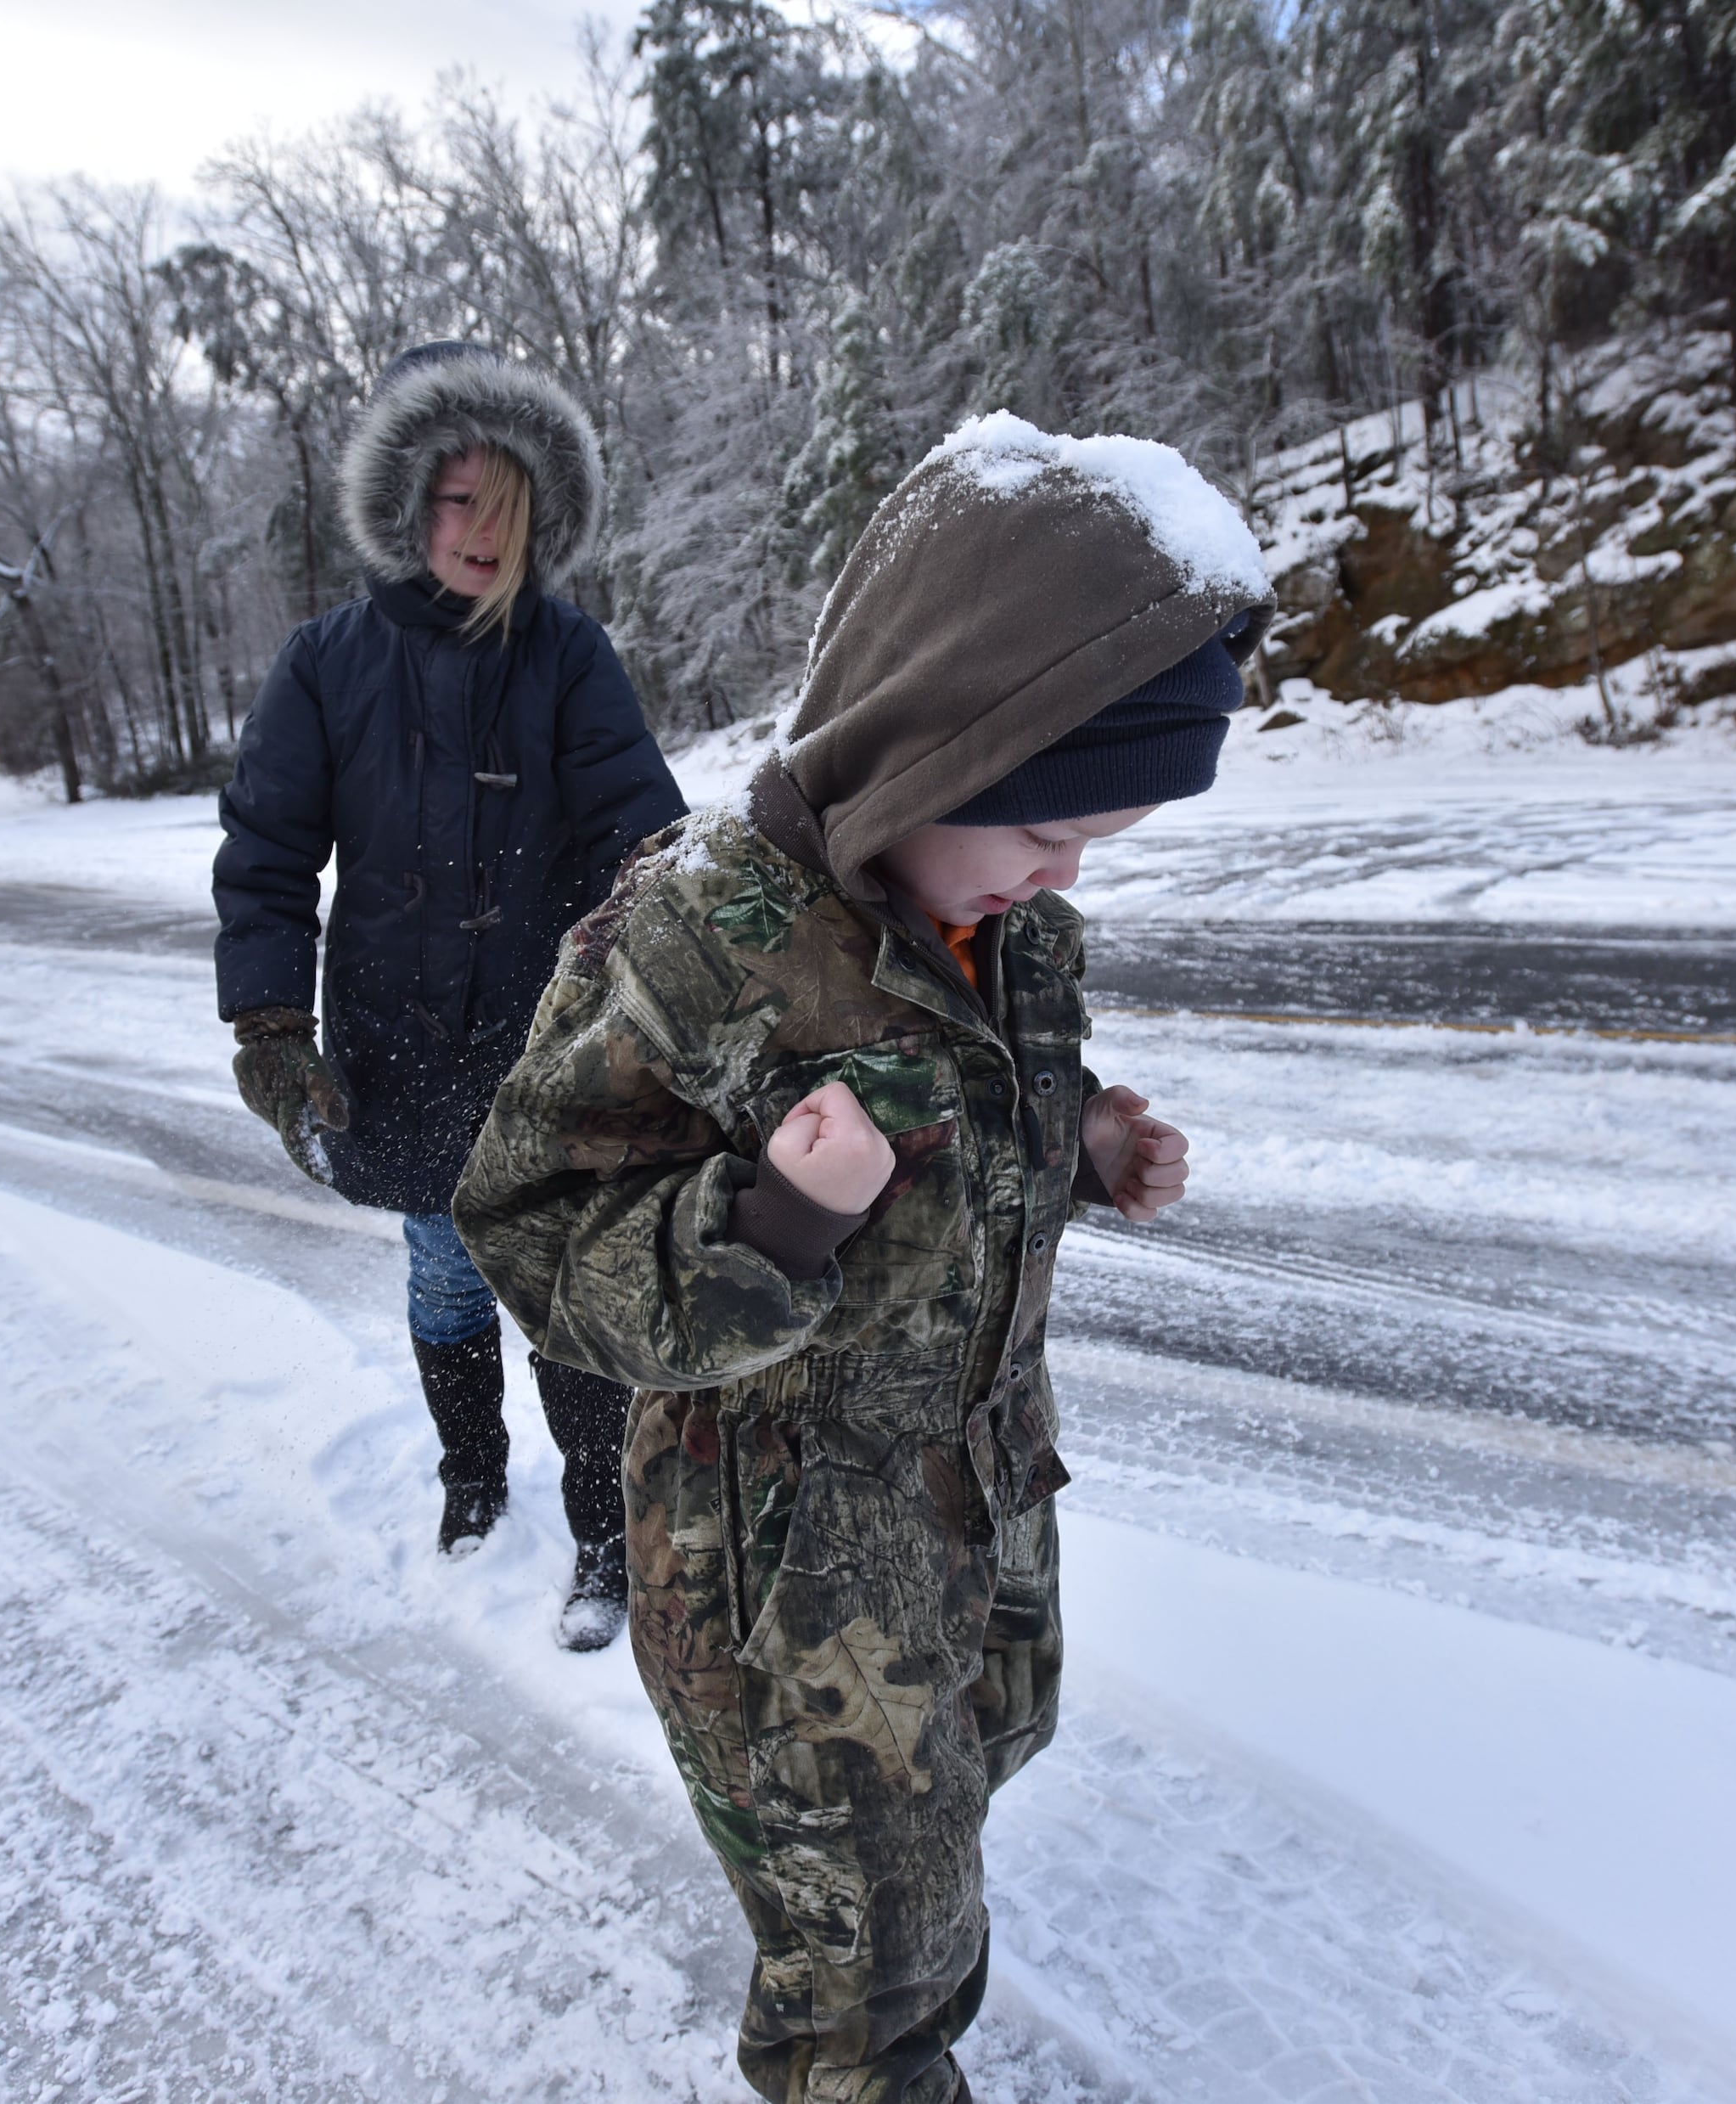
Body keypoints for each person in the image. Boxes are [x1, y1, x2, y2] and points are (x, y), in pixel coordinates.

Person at [453, 413, 1266, 2103]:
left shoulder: (1009, 927)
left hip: (977, 1500)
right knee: (867, 1982)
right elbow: (531, 1232)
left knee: (978, 1770)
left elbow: (995, 1109)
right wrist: (770, 1224)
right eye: (1050, 827)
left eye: (1099, 844)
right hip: (788, 1585)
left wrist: (1092, 1144)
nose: (1066, 874)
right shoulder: (687, 943)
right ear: (927, 751)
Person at [214, 341, 686, 1651]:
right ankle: (471, 1472)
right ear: (406, 505)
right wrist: (268, 1025)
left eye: (510, 505)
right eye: (457, 500)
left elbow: (643, 838)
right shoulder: (327, 664)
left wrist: (673, 988)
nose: (484, 533)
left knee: (563, 1292)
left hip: (549, 1045)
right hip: (397, 1032)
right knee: (442, 1266)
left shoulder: (569, 655)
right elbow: (266, 852)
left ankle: (604, 1533)